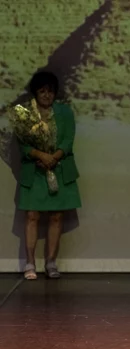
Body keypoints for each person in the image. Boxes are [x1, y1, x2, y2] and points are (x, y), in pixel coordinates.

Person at [16, 71, 81, 280]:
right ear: (35, 92)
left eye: (50, 91)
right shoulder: (25, 113)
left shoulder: (65, 112)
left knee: (56, 216)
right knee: (32, 215)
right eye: (42, 91)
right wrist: (40, 155)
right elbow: (22, 144)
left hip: (59, 168)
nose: (46, 95)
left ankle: (51, 262)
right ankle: (30, 263)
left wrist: (54, 157)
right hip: (35, 171)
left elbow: (68, 140)